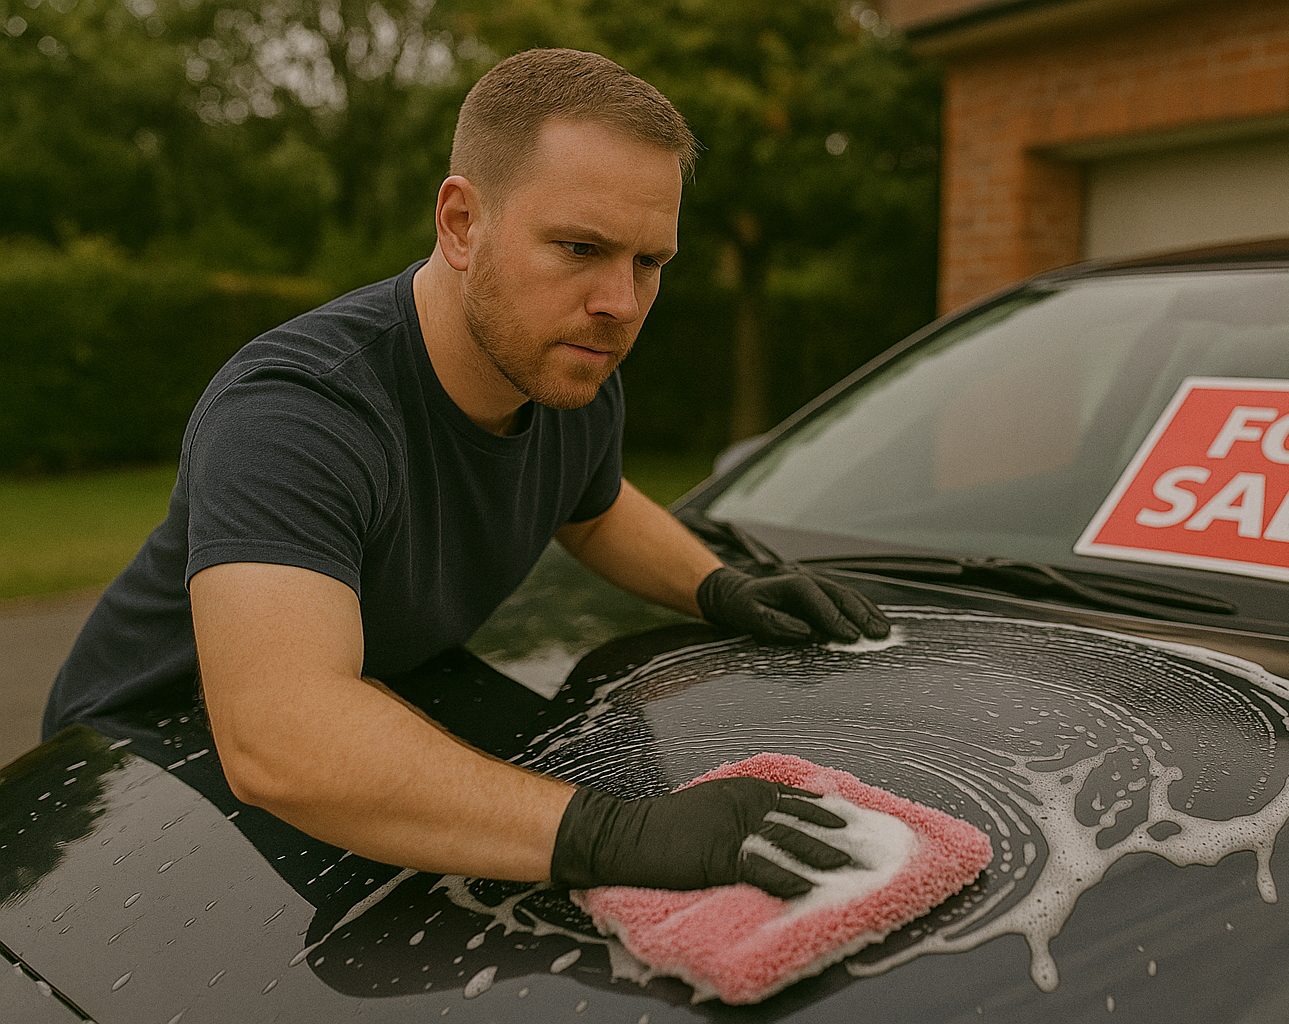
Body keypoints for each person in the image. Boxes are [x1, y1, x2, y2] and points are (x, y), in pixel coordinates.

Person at [42, 48, 889, 900]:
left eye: (648, 262)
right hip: (135, 764)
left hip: (380, 690)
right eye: (580, 246)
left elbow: (590, 508)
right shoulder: (296, 411)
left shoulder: (572, 371)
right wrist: (613, 832)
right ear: (459, 223)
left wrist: (720, 588)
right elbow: (278, 738)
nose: (621, 303)